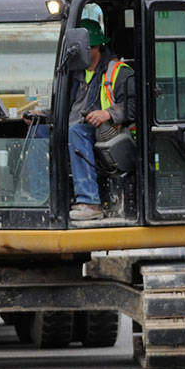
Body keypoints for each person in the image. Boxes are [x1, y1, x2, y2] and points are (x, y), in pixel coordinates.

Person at [67, 18, 134, 221]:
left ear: (95, 48)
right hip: (75, 126)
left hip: (109, 132)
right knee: (39, 132)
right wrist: (42, 116)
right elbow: (65, 107)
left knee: (76, 132)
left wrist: (108, 113)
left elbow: (134, 107)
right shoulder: (73, 75)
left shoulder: (120, 72)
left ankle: (90, 202)